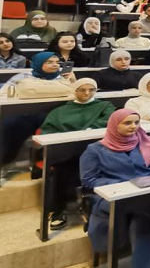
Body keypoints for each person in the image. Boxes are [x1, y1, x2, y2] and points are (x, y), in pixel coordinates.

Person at [80, 109, 150, 268]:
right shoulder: (94, 150)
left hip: (148, 192)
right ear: (114, 125)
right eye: (127, 123)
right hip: (111, 196)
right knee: (147, 211)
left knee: (145, 214)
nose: (133, 126)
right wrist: (126, 184)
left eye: (136, 122)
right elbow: (89, 180)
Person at [38, 78, 114, 229]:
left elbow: (110, 120)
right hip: (67, 151)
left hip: (96, 148)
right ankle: (60, 209)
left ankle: (95, 205)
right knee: (65, 170)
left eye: (91, 90)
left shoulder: (104, 106)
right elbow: (47, 131)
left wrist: (88, 130)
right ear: (75, 91)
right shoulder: (59, 111)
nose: (87, 93)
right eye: (82, 90)